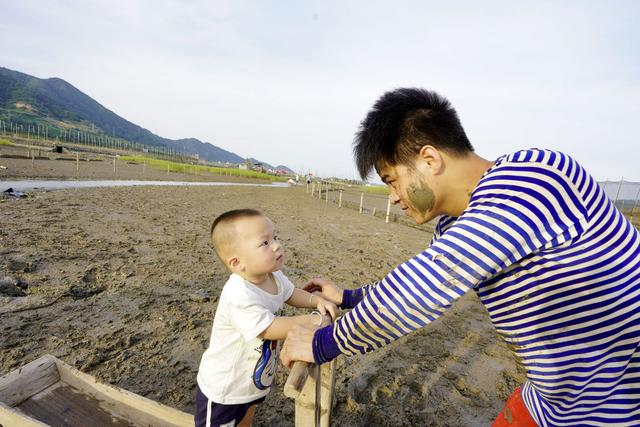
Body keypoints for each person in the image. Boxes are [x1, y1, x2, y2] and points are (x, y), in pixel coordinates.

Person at [281, 88, 640, 425]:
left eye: (392, 180)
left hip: (614, 400)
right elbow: (428, 277)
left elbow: (429, 286)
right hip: (552, 396)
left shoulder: (533, 177)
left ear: (429, 159)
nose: (392, 197)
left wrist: (324, 342)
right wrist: (349, 297)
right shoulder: (455, 225)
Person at [196, 209, 337, 427]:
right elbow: (268, 328)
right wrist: (313, 320)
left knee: (246, 417)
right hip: (225, 388)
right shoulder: (239, 293)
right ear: (237, 263)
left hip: (251, 382)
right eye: (264, 243)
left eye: (275, 237)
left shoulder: (274, 276)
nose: (276, 245)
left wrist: (315, 301)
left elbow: (291, 294)